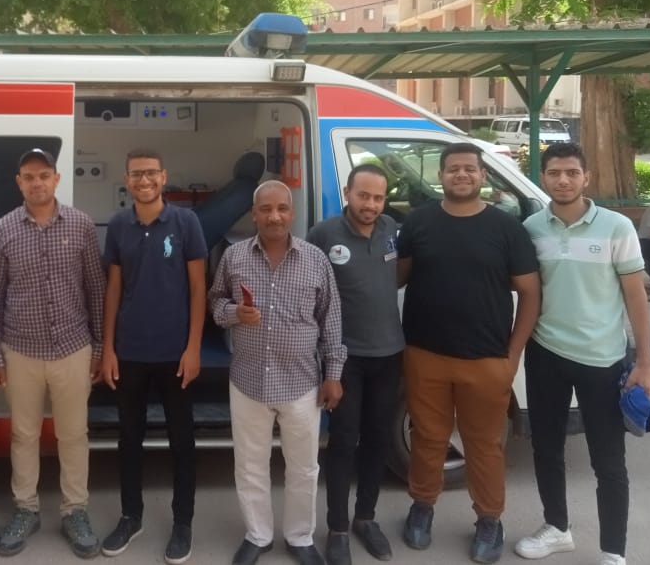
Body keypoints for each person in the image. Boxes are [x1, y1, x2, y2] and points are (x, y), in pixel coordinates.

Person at [397, 141, 541, 564]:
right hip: (425, 354)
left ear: (482, 176)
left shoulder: (507, 228)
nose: (461, 174)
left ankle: (489, 520)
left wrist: (513, 355)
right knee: (427, 438)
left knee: (484, 445)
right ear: (440, 176)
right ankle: (422, 507)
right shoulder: (418, 222)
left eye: (469, 168)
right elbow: (395, 278)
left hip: (487, 359)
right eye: (453, 168)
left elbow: (531, 293)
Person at [515, 143, 650, 565]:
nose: (563, 180)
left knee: (608, 460)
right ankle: (556, 528)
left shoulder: (616, 227)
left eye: (571, 173)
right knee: (546, 448)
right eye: (554, 173)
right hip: (545, 353)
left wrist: (646, 363)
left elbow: (635, 296)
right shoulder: (531, 228)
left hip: (603, 359)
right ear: (543, 177)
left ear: (586, 178)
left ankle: (613, 550)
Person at [210, 180, 346, 565]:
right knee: (250, 464)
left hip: (302, 383)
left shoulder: (315, 260)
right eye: (266, 209)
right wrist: (234, 313)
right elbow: (215, 303)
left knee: (303, 467)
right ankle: (258, 534)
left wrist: (333, 373)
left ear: (292, 213)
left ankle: (300, 537)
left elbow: (331, 319)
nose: (274, 216)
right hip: (248, 381)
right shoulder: (234, 257)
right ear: (253, 214)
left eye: (282, 208)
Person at [0, 149, 106, 558]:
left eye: (44, 175)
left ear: (56, 179)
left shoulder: (81, 224)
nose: (37, 183)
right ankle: (26, 508)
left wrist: (99, 348)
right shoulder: (4, 229)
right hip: (20, 351)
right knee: (24, 434)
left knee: (73, 434)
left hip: (73, 348)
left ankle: (75, 510)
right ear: (19, 182)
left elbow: (96, 290)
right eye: (29, 176)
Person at [100, 149, 206, 565]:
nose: (143, 181)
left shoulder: (185, 222)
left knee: (182, 441)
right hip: (129, 352)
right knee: (129, 439)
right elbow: (113, 289)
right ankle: (131, 516)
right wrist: (108, 348)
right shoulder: (118, 225)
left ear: (163, 176)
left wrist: (194, 348)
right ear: (127, 179)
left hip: (175, 353)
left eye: (150, 173)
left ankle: (183, 522)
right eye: (136, 174)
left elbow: (198, 289)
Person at [306, 164, 402, 565]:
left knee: (378, 440)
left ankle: (366, 517)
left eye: (378, 198)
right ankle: (338, 528)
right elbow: (309, 292)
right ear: (347, 193)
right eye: (363, 196)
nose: (371, 205)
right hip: (344, 359)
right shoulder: (323, 234)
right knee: (344, 442)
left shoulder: (391, 228)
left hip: (390, 354)